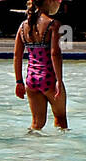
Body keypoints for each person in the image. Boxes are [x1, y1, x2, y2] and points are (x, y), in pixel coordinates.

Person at [14, 0, 68, 131]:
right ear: (48, 1)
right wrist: (59, 82)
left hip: (31, 79)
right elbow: (55, 54)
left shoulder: (23, 26)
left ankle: (30, 148)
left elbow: (17, 56)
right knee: (60, 120)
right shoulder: (53, 24)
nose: (60, 2)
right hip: (49, 78)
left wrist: (19, 81)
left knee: (37, 124)